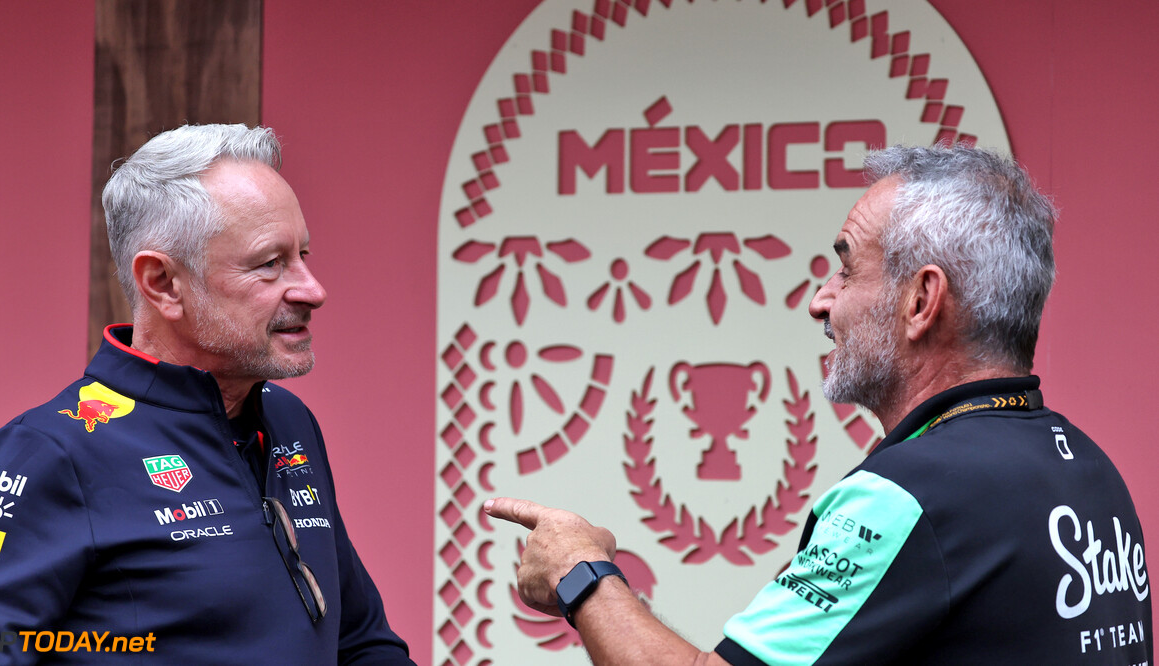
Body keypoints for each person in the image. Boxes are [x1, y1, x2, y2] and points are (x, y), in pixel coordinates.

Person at [485, 145, 1153, 665]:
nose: (819, 301)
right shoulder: (1093, 472)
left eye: (846, 269)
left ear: (921, 301)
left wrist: (582, 575)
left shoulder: (909, 498)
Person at [0, 124, 414, 664]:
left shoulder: (288, 420)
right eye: (270, 263)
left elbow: (360, 643)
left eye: (303, 254)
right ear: (162, 283)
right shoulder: (49, 453)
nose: (313, 289)